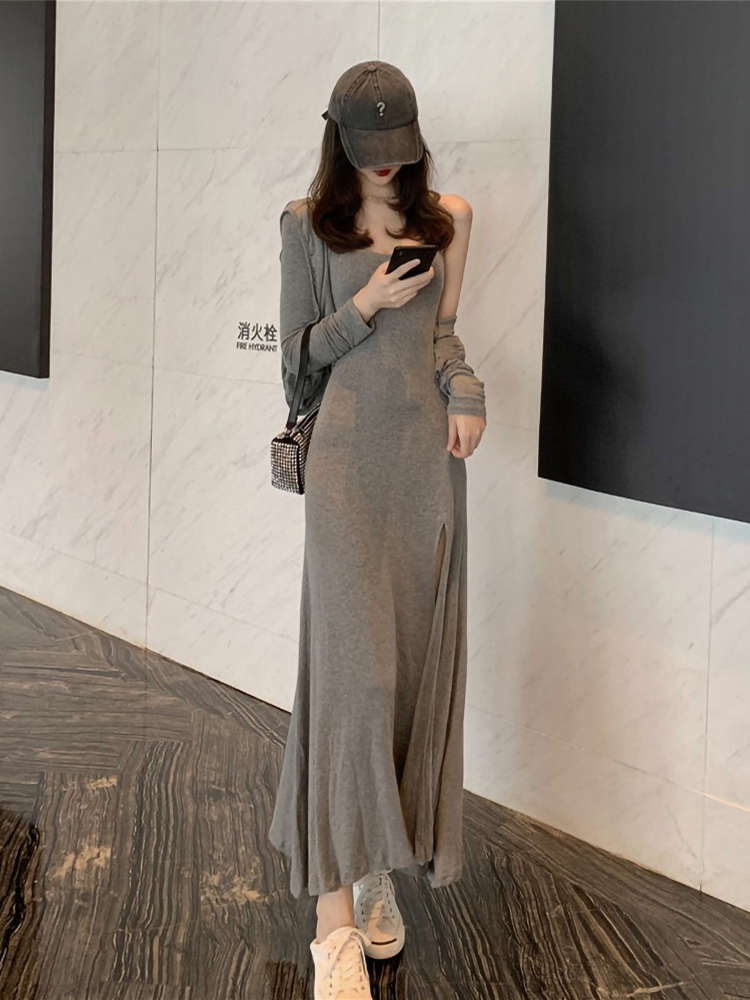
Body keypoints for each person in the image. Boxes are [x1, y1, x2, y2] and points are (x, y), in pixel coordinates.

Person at [268, 60, 487, 999]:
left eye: (400, 149)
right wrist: (365, 305)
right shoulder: (304, 225)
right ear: (341, 139)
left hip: (423, 470)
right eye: (371, 150)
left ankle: (373, 871)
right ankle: (334, 927)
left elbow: (443, 339)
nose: (387, 166)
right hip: (346, 473)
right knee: (353, 682)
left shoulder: (450, 219)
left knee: (402, 679)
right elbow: (296, 368)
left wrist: (466, 390)